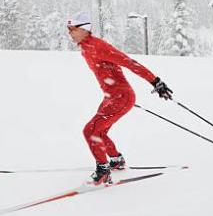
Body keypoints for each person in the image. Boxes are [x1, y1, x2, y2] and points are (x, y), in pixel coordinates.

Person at [67, 12, 173, 185]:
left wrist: (155, 81)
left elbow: (128, 62)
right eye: (68, 29)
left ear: (84, 29)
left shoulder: (98, 46)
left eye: (72, 29)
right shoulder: (87, 47)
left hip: (120, 96)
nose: (70, 32)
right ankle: (116, 160)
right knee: (99, 131)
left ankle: (103, 171)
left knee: (90, 131)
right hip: (111, 96)